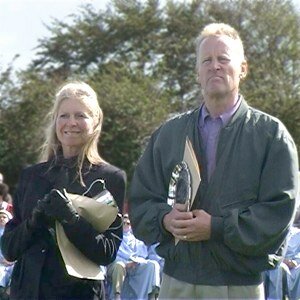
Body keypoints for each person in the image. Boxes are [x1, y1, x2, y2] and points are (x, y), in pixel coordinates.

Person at [129, 22, 299, 299]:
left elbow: (278, 213)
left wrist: (216, 228)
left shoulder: (271, 136)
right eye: (206, 60)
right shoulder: (169, 134)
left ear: (243, 68)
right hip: (176, 282)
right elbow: (141, 202)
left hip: (238, 285)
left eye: (223, 59)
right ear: (197, 72)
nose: (215, 66)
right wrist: (164, 220)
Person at [1, 81, 126, 299]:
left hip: (78, 294)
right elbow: (9, 249)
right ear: (55, 121)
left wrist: (72, 219)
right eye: (64, 115)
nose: (72, 123)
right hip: (27, 292)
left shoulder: (108, 178)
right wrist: (33, 221)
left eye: (81, 115)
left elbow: (107, 252)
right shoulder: (31, 176)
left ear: (95, 121)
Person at [107, 214, 161, 300]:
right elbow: (112, 254)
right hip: (119, 264)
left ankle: (152, 296)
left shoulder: (136, 238)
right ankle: (117, 296)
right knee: (119, 265)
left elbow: (143, 254)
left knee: (153, 265)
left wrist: (136, 261)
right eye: (123, 223)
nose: (126, 225)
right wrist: (126, 263)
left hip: (135, 265)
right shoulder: (114, 236)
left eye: (128, 223)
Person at [0, 209, 14, 300]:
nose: (1, 219)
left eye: (4, 217)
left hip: (13, 263)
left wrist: (12, 260)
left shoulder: (13, 233)